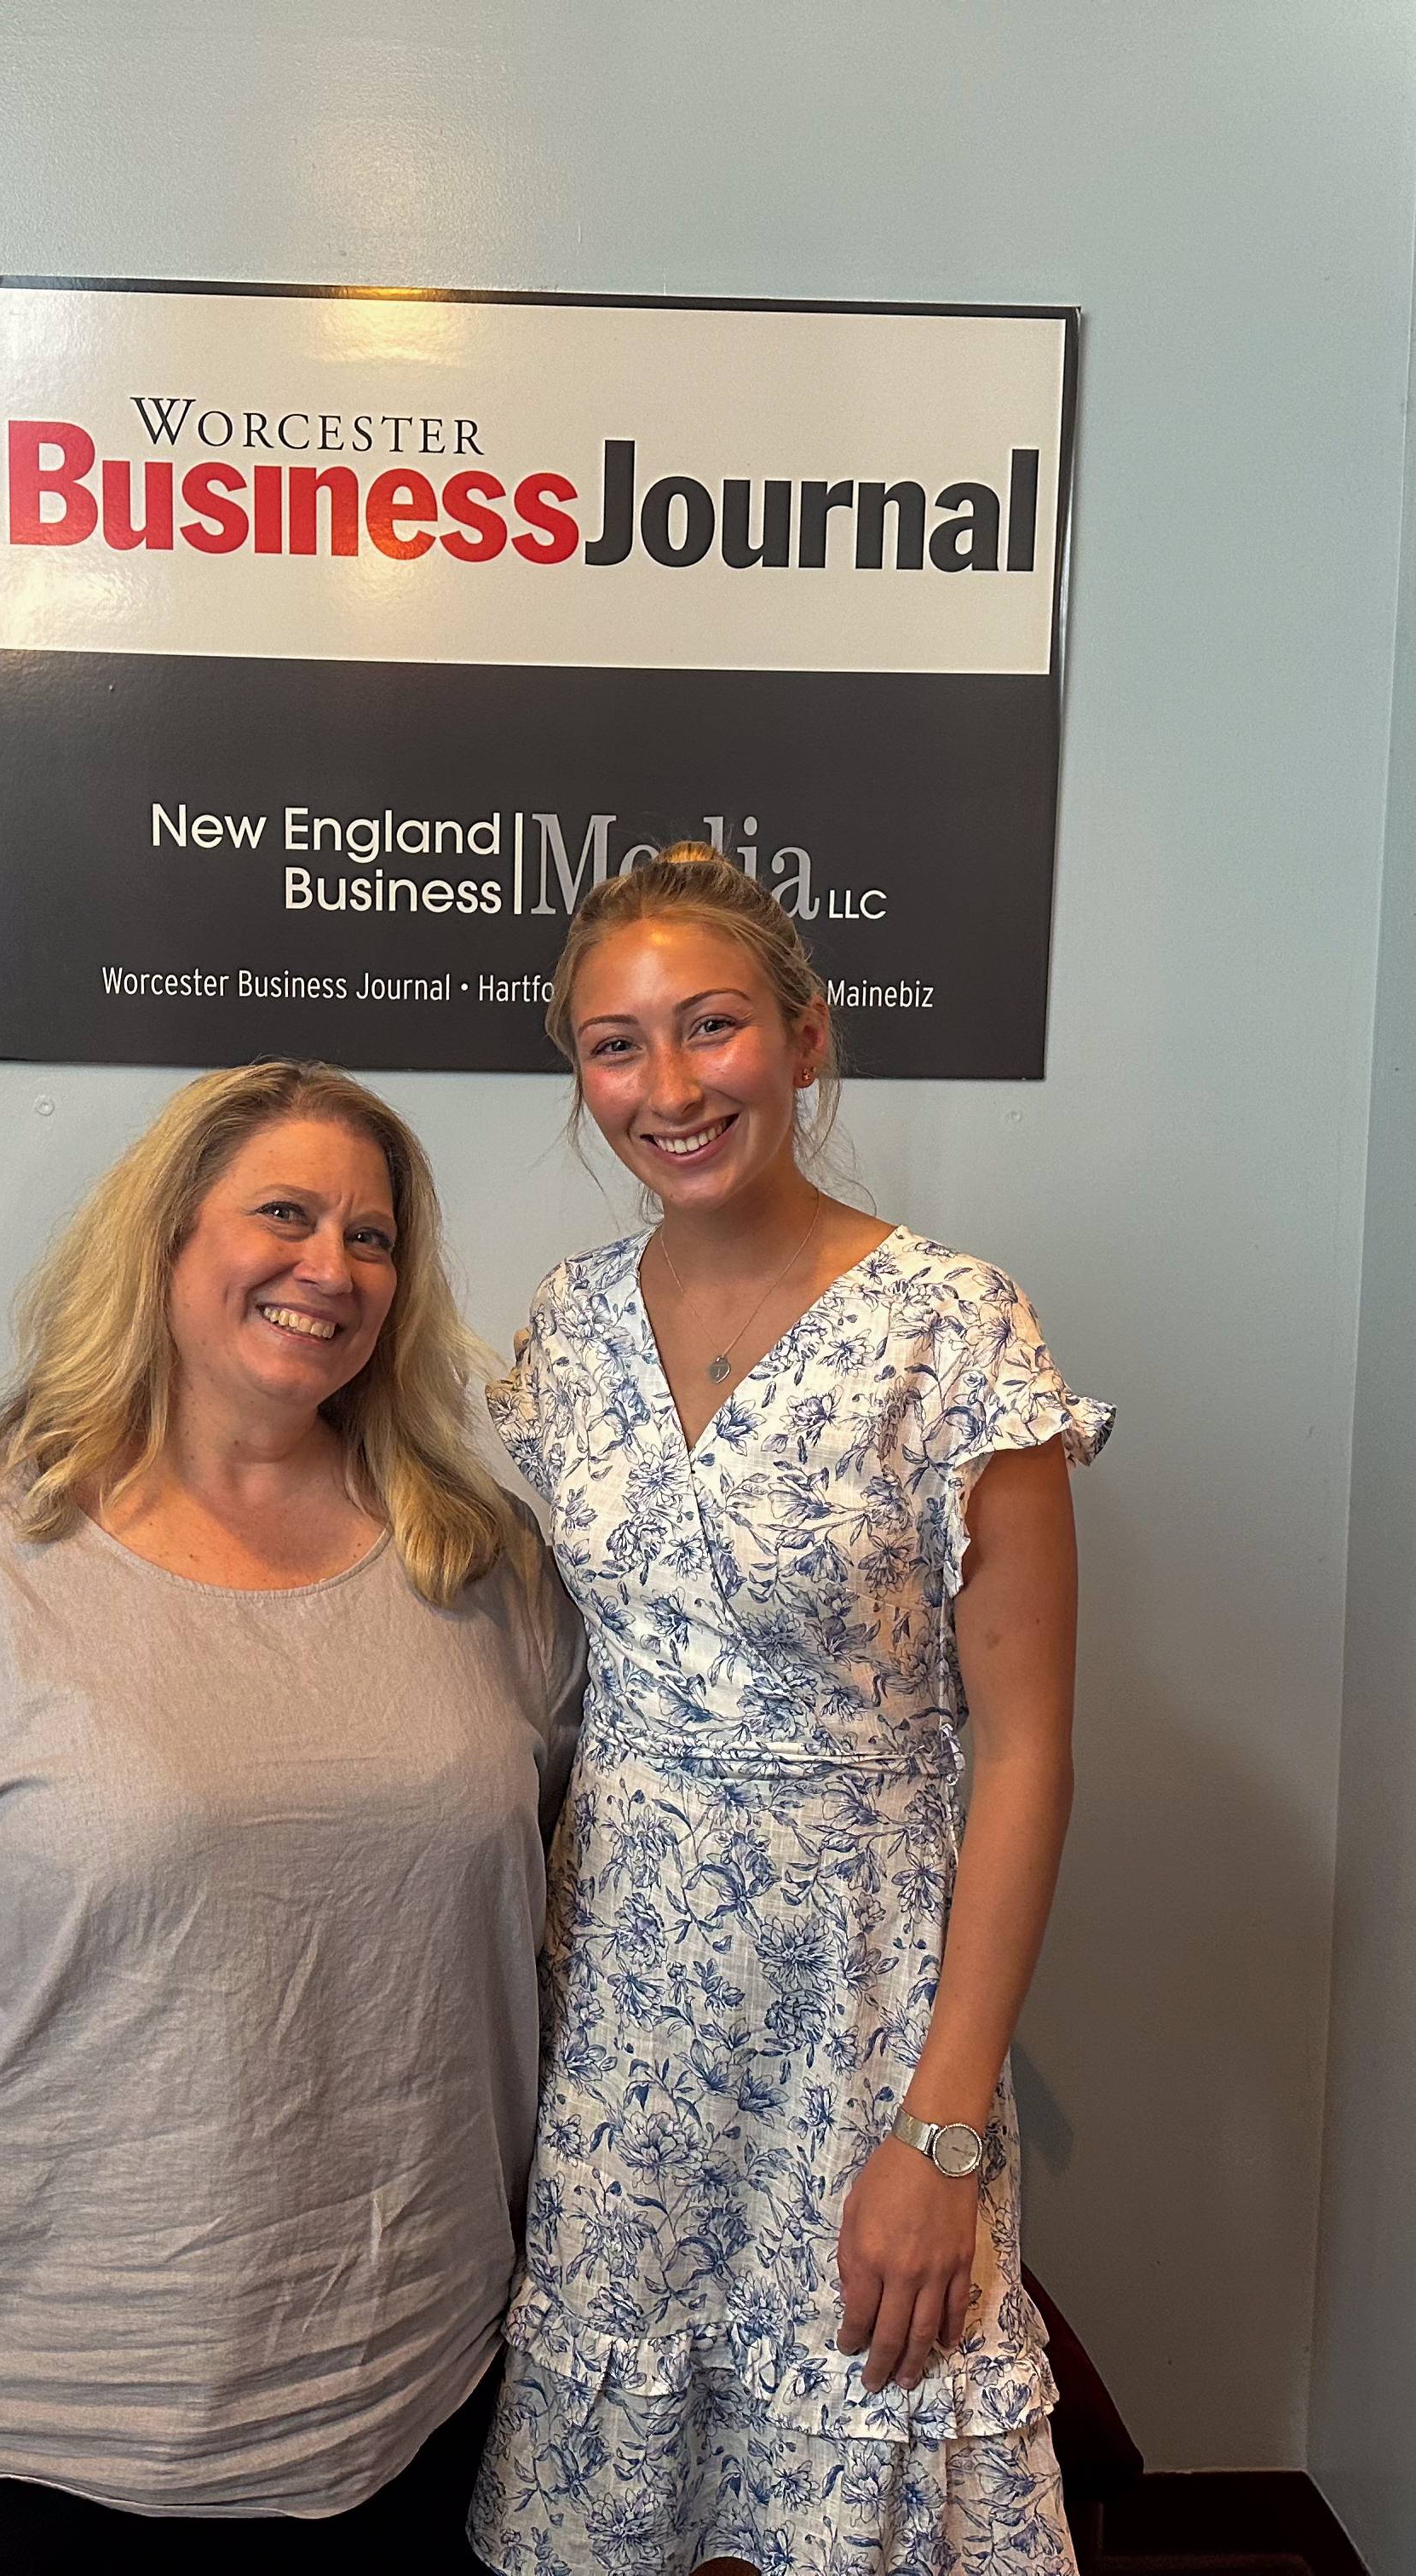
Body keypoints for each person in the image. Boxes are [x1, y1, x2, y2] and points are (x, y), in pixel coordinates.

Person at [0, 1061, 583, 2575]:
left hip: (394, 2401)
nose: (329, 1267)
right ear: (166, 1240)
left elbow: (590, 1916)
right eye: (284, 1212)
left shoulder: (479, 1566)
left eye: (373, 1237)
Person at [468, 848, 1112, 2576]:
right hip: (618, 2018)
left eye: (712, 1029)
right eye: (615, 1047)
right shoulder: (566, 1328)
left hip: (862, 2013)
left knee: (861, 2466)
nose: (666, 1090)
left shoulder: (952, 1330)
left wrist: (944, 2126)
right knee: (628, 2515)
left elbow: (1029, 1746)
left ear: (807, 1040)